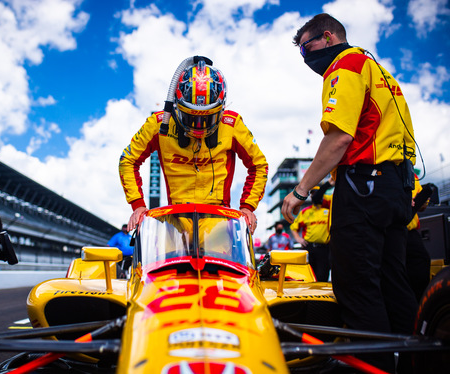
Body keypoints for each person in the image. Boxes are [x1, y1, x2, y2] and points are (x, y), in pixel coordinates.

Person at [282, 13, 417, 372]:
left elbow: (340, 137)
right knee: (394, 285)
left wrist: (300, 189)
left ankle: (372, 368)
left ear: (328, 37)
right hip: (395, 187)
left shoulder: (345, 65)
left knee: (357, 287)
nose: (307, 59)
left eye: (307, 48)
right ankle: (410, 363)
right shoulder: (379, 70)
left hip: (363, 187)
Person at [119, 57, 268, 234]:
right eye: (192, 117)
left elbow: (259, 165)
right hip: (175, 225)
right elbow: (127, 160)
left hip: (220, 225)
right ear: (176, 107)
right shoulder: (158, 124)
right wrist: (138, 205)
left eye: (206, 118)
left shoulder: (232, 125)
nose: (199, 126)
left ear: (221, 109)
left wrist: (247, 207)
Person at [290, 185, 331, 281]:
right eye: (313, 193)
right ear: (311, 196)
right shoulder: (305, 212)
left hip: (324, 248)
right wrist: (299, 239)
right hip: (309, 247)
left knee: (322, 275)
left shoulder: (328, 211)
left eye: (317, 193)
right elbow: (294, 227)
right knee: (308, 275)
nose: (315, 195)